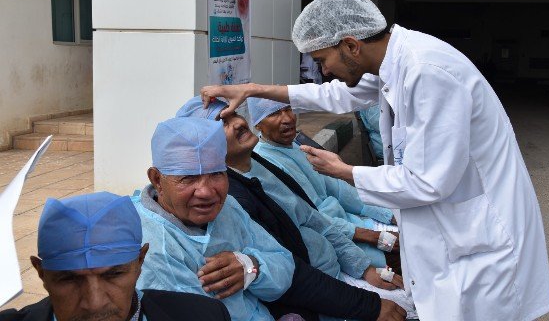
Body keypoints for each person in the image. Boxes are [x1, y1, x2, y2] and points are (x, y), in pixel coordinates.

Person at [200, 0, 549, 320]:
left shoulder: (427, 72)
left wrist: (345, 171)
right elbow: (336, 95)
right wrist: (252, 90)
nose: (324, 71)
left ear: (351, 46)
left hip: (478, 237)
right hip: (449, 229)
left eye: (322, 60)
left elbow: (427, 182)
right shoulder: (391, 64)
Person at [176, 96, 414, 320]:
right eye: (222, 123)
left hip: (339, 269)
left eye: (235, 114)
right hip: (322, 294)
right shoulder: (231, 199)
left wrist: (364, 268)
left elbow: (314, 217)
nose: (239, 123)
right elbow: (290, 275)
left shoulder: (260, 163)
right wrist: (368, 304)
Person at [132, 117, 296, 321]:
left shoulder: (227, 207)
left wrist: (251, 266)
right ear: (157, 180)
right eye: (188, 178)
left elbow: (283, 263)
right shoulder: (153, 246)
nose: (207, 192)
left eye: (216, 174)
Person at [0, 192, 230, 321]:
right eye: (69, 279)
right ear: (41, 273)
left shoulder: (204, 316)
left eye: (113, 275)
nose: (94, 303)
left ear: (140, 262)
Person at [247, 97, 396, 269]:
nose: (287, 118)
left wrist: (386, 214)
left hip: (350, 223)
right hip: (329, 243)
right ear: (258, 125)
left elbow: (337, 188)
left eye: (288, 109)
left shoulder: (297, 145)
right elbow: (311, 221)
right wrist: (371, 236)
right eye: (274, 114)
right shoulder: (264, 166)